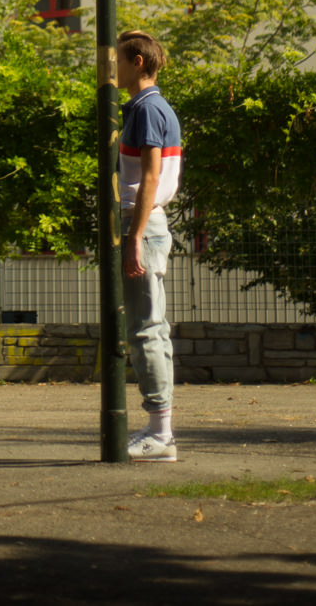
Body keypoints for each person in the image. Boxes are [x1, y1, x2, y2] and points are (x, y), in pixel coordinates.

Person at [117, 29, 182, 462]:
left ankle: (160, 435)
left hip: (146, 225)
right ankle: (158, 429)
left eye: (118, 61)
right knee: (147, 329)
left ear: (137, 62)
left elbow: (152, 179)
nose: (112, 71)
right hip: (147, 224)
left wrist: (134, 237)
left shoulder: (147, 109)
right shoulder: (149, 107)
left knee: (146, 330)